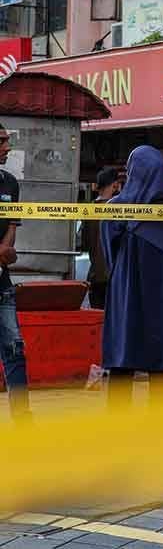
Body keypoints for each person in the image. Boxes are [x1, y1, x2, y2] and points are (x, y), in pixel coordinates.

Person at [102, 147, 163, 407]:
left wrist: (122, 273)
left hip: (126, 293)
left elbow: (109, 252)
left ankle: (117, 425)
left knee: (124, 353)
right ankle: (157, 427)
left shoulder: (117, 209)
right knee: (160, 358)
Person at [0, 124, 28, 421]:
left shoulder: (10, 183)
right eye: (1, 141)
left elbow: (11, 225)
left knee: (15, 349)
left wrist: (3, 253)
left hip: (2, 283)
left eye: (7, 141)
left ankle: (22, 418)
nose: (7, 147)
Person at [80, 166, 120, 310]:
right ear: (115, 185)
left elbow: (84, 243)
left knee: (98, 323)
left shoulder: (88, 210)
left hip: (95, 276)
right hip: (115, 277)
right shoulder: (120, 210)